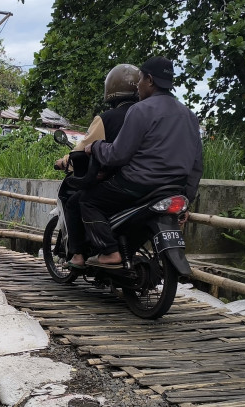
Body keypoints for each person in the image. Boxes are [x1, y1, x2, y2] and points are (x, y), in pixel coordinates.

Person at [79, 55, 203, 268]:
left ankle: (109, 252)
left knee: (87, 200)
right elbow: (196, 165)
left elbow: (117, 155)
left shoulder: (140, 110)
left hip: (137, 185)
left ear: (150, 81)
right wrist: (186, 198)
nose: (137, 87)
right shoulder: (190, 116)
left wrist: (96, 147)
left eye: (140, 80)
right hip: (172, 189)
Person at [57, 64, 141, 269]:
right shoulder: (146, 115)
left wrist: (63, 161)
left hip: (117, 182)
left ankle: (78, 255)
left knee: (77, 201)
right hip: (148, 182)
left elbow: (83, 148)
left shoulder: (106, 119)